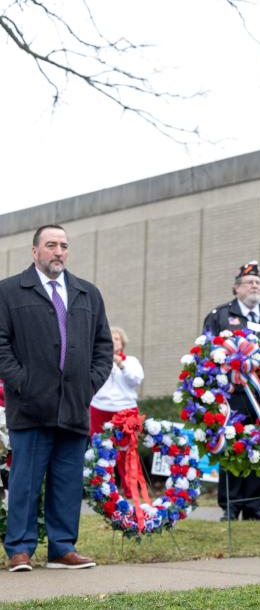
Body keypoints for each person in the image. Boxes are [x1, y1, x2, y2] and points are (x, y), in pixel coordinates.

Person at [0, 224, 113, 572]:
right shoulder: (8, 292)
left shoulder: (87, 294)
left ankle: (63, 548)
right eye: (51, 245)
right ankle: (20, 548)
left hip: (74, 407)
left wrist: (87, 386)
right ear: (35, 251)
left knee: (66, 482)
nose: (59, 252)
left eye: (63, 246)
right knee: (25, 481)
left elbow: (103, 347)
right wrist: (23, 383)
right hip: (31, 406)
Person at [203, 261, 260, 522]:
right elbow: (207, 352)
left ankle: (253, 504)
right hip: (232, 395)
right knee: (232, 445)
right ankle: (230, 504)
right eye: (249, 283)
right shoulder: (220, 315)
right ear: (236, 288)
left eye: (258, 283)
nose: (255, 286)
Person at [89, 327, 145, 498]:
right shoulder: (97, 359)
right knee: (99, 450)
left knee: (127, 452)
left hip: (125, 409)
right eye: (110, 338)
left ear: (122, 343)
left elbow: (136, 380)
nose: (114, 341)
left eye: (117, 339)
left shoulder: (132, 361)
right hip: (100, 408)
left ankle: (131, 491)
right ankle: (101, 491)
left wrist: (120, 364)